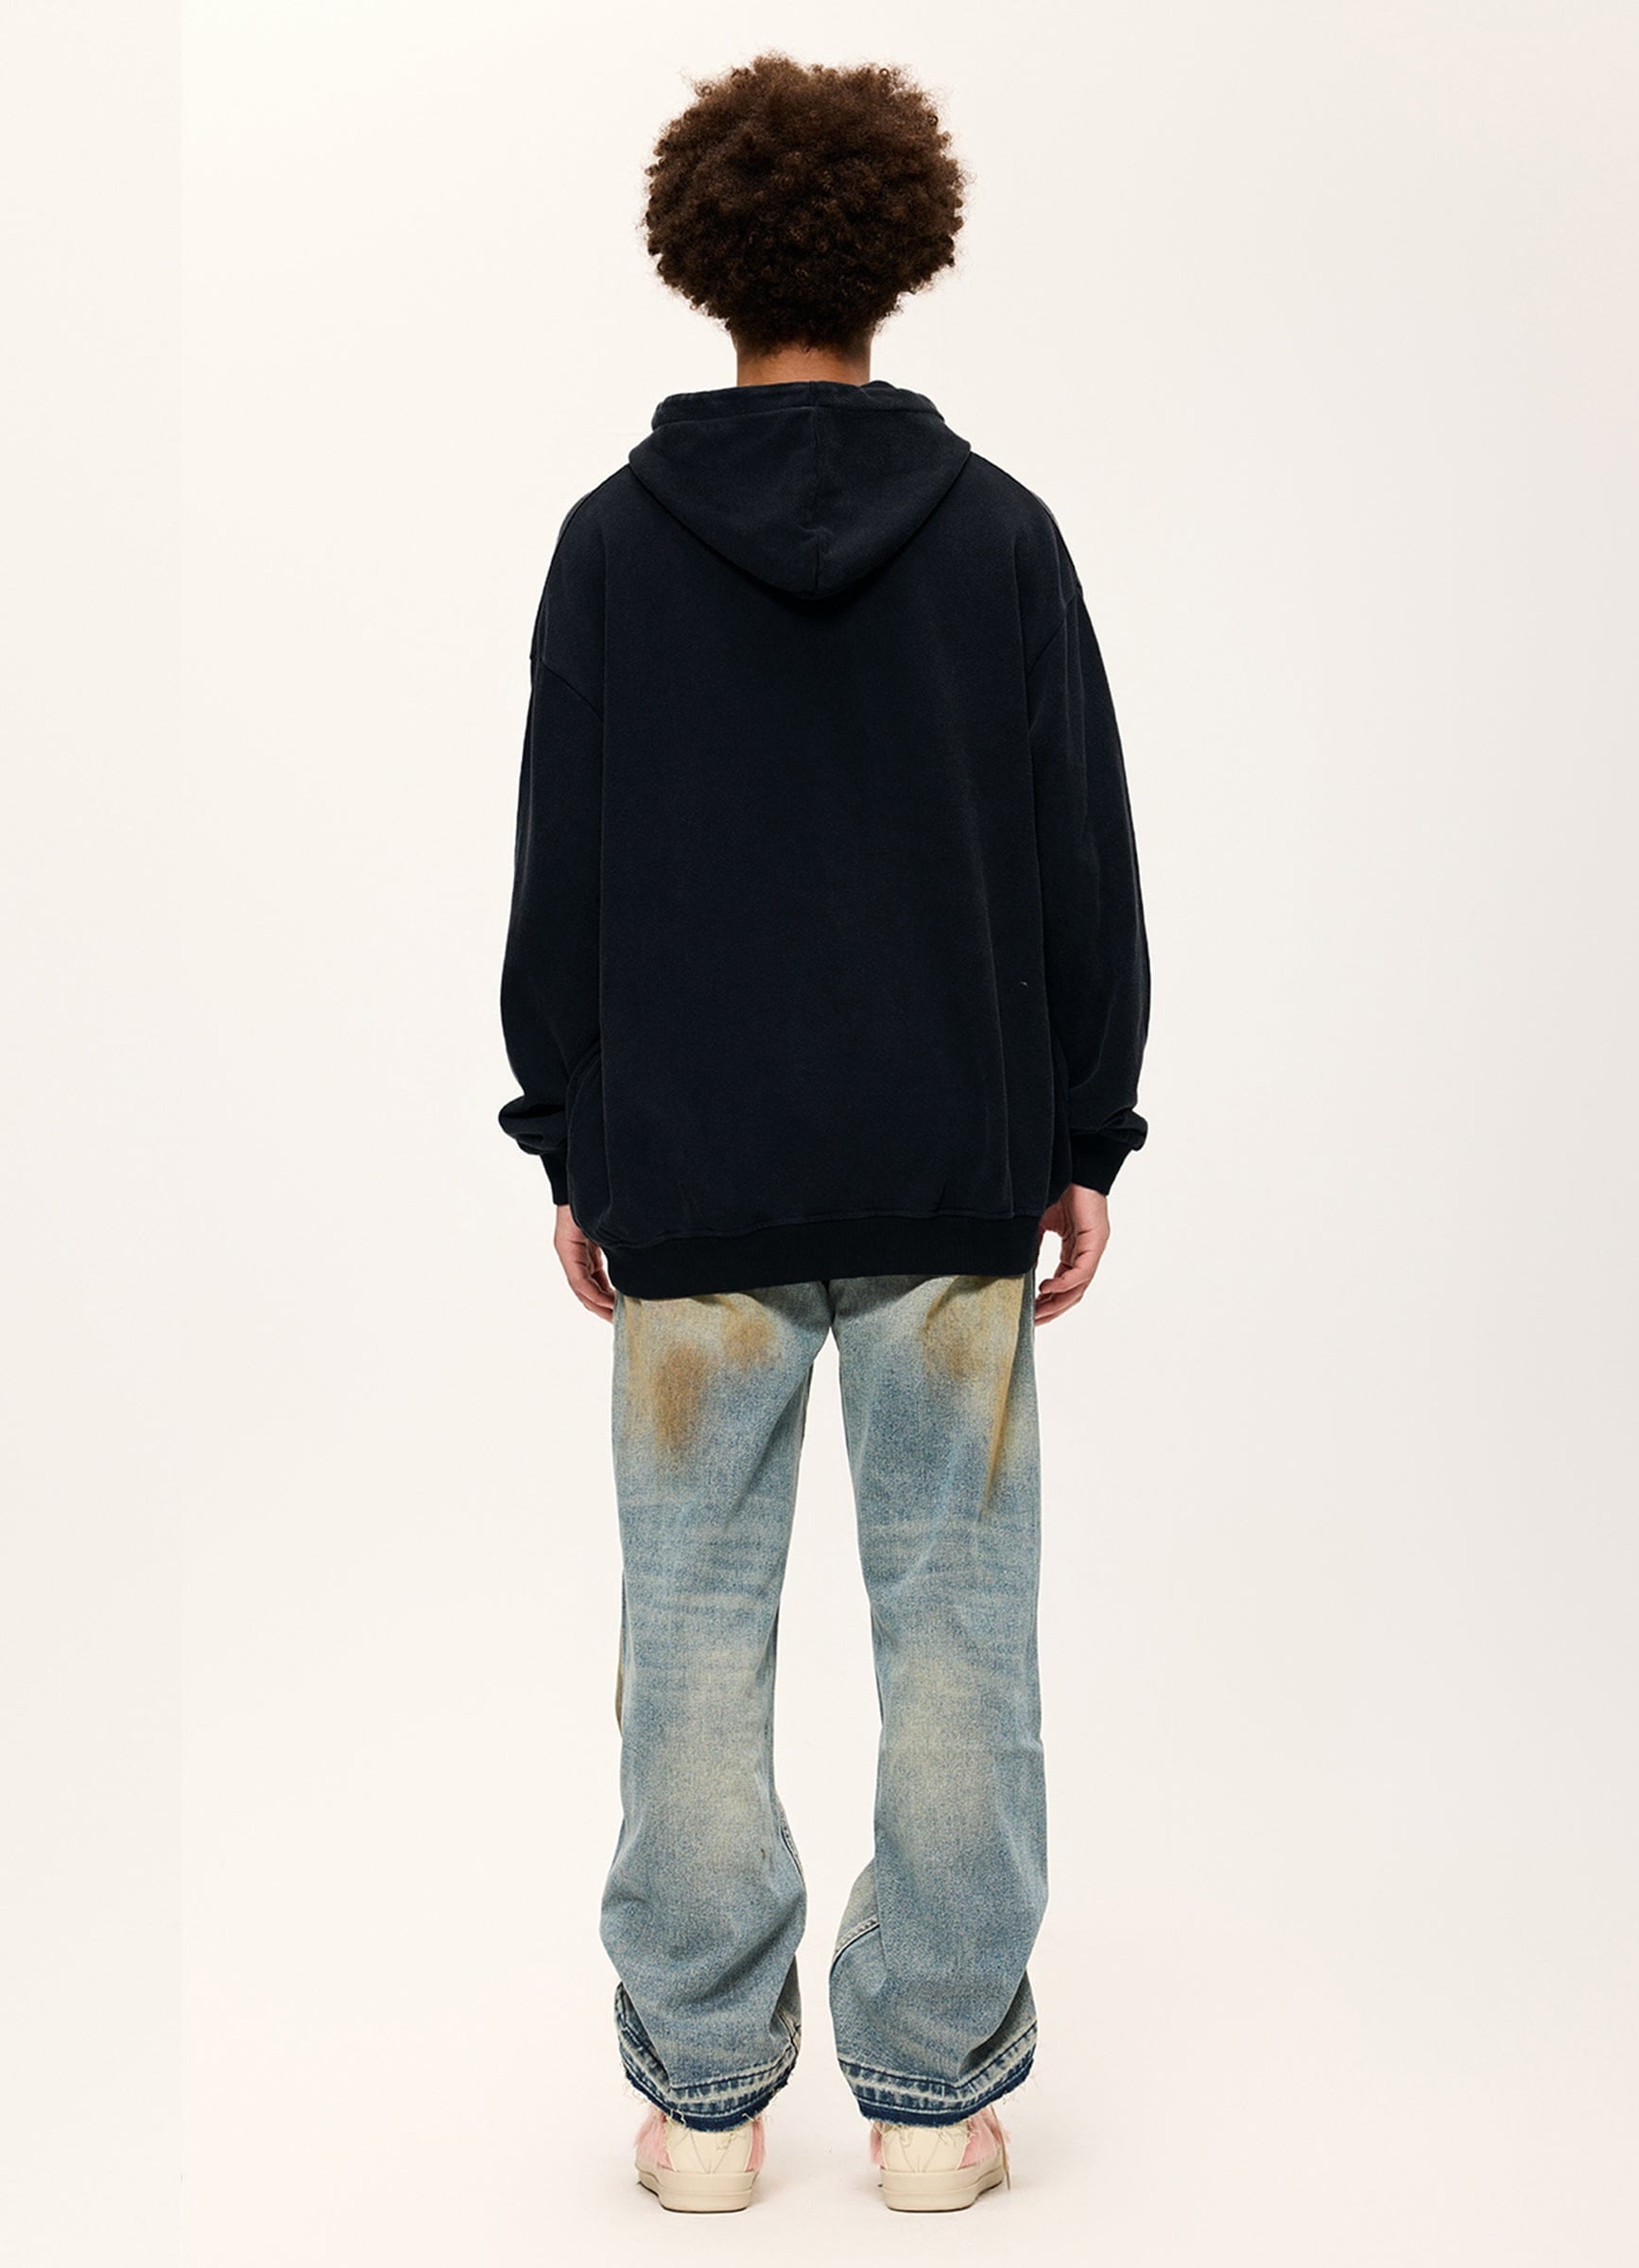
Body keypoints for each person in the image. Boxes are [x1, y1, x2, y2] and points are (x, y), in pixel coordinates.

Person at [498, 52, 1151, 2214]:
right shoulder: (1000, 538)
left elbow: (565, 865)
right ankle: (934, 2105)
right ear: (901, 256)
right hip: (951, 1170)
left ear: (703, 260)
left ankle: (705, 2114)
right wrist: (1084, 1130)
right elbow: (1078, 857)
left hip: (692, 1177)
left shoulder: (615, 546)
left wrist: (573, 1132)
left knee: (691, 1631)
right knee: (959, 1626)